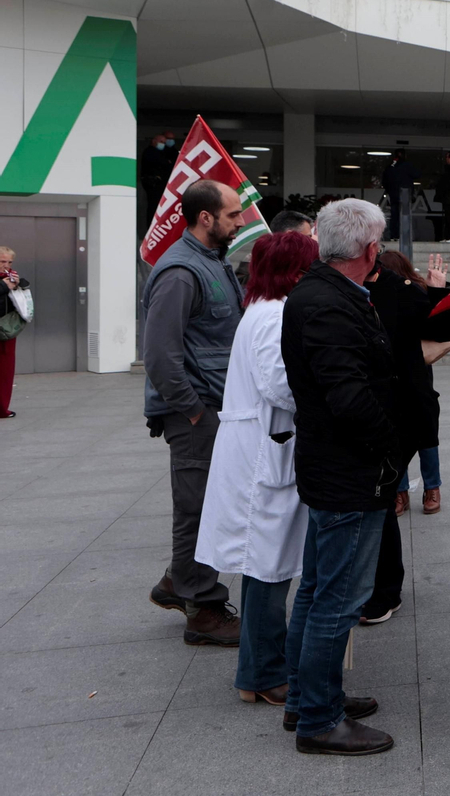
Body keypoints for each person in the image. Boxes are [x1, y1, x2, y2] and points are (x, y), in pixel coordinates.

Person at [280, 198, 401, 754]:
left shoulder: (322, 292)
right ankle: (318, 719)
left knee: (318, 589)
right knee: (338, 598)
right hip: (347, 471)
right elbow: (349, 398)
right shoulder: (328, 302)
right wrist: (391, 447)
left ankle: (307, 698)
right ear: (370, 250)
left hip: (334, 467)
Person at [194, 232, 319, 712]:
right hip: (265, 452)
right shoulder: (274, 314)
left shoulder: (263, 308)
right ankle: (263, 673)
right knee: (268, 567)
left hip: (263, 446)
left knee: (265, 565)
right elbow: (279, 384)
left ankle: (259, 670)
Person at [143, 180, 246, 646]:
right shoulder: (181, 271)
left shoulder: (211, 261)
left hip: (211, 406)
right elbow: (160, 356)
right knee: (198, 509)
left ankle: (176, 582)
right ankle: (202, 611)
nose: (240, 221)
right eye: (232, 214)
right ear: (206, 218)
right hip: (195, 412)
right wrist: (193, 412)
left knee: (207, 505)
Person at [361, 250, 450, 628]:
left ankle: (386, 590)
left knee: (379, 498)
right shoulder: (345, 289)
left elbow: (443, 330)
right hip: (374, 411)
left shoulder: (400, 290)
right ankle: (380, 585)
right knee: (378, 497)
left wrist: (437, 292)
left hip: (405, 411)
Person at [384, 251, 450, 521]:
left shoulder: (415, 294)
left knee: (426, 434)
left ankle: (431, 488)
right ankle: (401, 491)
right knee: (395, 438)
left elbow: (442, 329)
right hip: (390, 381)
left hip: (416, 379)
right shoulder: (375, 297)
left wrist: (437, 291)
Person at [0, 245, 27, 419]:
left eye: (9, 262)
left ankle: (2, 408)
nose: (6, 265)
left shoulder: (10, 276)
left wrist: (19, 285)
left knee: (5, 371)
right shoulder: (4, 282)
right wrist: (4, 286)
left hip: (6, 328)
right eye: (2, 261)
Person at [380, 150, 420, 240]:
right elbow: (417, 174)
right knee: (405, 215)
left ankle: (394, 235)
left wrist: (389, 190)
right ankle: (405, 235)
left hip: (394, 194)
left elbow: (384, 181)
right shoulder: (407, 165)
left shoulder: (390, 166)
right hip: (405, 194)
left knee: (394, 215)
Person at [140, 133, 171, 229]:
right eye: (161, 142)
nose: (163, 144)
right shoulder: (150, 152)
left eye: (164, 142)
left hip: (159, 186)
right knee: (153, 208)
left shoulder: (161, 153)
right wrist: (166, 162)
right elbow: (164, 163)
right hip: (153, 185)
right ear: (154, 141)